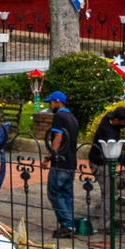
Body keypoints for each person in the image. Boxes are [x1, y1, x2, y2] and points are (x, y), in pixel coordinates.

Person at [44, 91, 81, 236]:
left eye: (51, 102)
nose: (50, 105)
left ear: (58, 102)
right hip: (71, 162)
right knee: (66, 194)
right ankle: (70, 223)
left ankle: (67, 225)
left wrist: (48, 157)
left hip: (60, 162)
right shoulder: (72, 118)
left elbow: (57, 138)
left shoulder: (59, 116)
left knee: (54, 192)